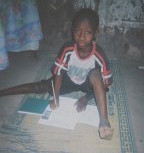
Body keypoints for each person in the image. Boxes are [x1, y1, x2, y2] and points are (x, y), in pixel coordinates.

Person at [0, 8, 113, 139]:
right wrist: (56, 96)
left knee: (95, 74)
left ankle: (104, 123)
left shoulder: (99, 54)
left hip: (87, 84)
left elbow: (105, 85)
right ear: (72, 30)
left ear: (95, 33)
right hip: (68, 80)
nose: (81, 36)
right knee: (40, 87)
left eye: (87, 32)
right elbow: (59, 73)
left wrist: (86, 98)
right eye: (77, 31)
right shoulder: (67, 48)